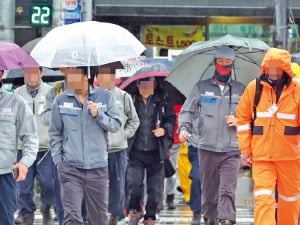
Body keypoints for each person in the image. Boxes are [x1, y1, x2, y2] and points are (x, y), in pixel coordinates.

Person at [179, 46, 245, 225]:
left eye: (228, 63)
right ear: (215, 63)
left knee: (227, 188)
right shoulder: (201, 87)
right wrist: (184, 128)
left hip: (231, 149)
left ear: (233, 65)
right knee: (209, 191)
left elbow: (252, 115)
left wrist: (240, 119)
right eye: (221, 62)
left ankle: (226, 219)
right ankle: (210, 217)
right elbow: (187, 112)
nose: (224, 66)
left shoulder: (241, 90)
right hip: (206, 148)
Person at [48, 67, 121, 225]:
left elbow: (116, 125)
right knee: (72, 217)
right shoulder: (61, 100)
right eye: (69, 74)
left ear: (86, 76)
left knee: (99, 218)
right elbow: (55, 132)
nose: (70, 78)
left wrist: (98, 114)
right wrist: (58, 160)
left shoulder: (105, 96)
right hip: (70, 168)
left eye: (74, 74)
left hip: (97, 168)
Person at [236, 48, 300, 225]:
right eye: (270, 67)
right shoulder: (254, 87)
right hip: (262, 156)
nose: (273, 71)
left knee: (290, 201)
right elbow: (242, 118)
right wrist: (245, 150)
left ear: (285, 69)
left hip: (290, 157)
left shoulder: (297, 89)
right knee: (263, 199)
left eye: (277, 67)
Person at [127, 76, 176, 225]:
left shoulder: (163, 101)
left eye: (148, 84)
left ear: (154, 85)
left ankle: (150, 216)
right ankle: (134, 209)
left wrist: (164, 129)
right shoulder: (131, 100)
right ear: (137, 85)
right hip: (135, 151)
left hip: (156, 152)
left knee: (155, 190)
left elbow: (171, 120)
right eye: (142, 84)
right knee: (134, 184)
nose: (145, 88)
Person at [96, 62, 140, 225]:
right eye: (102, 75)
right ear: (97, 78)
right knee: (95, 184)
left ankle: (114, 216)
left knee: (117, 183)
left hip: (118, 149)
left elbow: (134, 121)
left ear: (115, 78)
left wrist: (124, 135)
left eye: (109, 75)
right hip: (96, 150)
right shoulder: (91, 96)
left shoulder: (123, 96)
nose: (106, 79)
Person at [14, 67, 55, 225]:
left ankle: (46, 206)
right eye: (27, 72)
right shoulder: (17, 95)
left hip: (45, 148)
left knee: (49, 184)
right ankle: (27, 215)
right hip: (22, 149)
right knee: (23, 187)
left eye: (34, 72)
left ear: (41, 74)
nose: (31, 76)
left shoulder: (51, 92)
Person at [0, 69, 39, 225]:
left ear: (1, 73)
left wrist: (24, 162)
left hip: (4, 176)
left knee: (5, 220)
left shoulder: (16, 102)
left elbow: (30, 137)